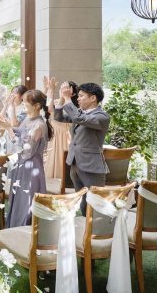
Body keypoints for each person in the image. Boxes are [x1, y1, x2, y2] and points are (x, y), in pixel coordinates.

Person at [0, 89, 52, 227]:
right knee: (19, 198)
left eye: (26, 102)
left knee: (26, 200)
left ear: (37, 106)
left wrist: (8, 129)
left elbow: (27, 150)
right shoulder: (28, 119)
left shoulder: (39, 125)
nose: (23, 104)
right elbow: (21, 132)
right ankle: (15, 228)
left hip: (31, 166)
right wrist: (7, 126)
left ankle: (26, 230)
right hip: (22, 164)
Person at [55, 82, 110, 214]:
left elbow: (77, 118)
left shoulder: (102, 116)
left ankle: (95, 226)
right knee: (82, 201)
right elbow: (59, 117)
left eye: (81, 96)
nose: (78, 99)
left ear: (93, 98)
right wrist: (62, 99)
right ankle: (85, 224)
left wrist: (68, 98)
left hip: (91, 166)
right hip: (75, 164)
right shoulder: (80, 112)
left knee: (95, 203)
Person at [42, 76, 75, 181]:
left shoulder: (72, 106)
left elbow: (51, 110)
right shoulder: (57, 102)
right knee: (50, 159)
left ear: (72, 92)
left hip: (63, 137)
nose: (62, 91)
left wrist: (51, 90)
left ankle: (64, 182)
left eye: (65, 89)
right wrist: (48, 89)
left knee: (62, 160)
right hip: (53, 135)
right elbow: (48, 107)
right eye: (61, 89)